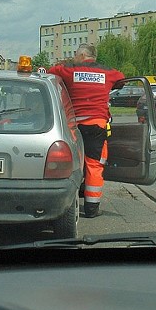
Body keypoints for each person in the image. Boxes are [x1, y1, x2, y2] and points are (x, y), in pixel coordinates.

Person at [48, 44, 125, 218]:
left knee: (72, 163)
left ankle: (66, 203)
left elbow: (52, 71)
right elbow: (121, 78)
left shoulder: (70, 69)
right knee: (94, 165)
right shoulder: (107, 72)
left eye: (76, 55)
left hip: (73, 126)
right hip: (96, 125)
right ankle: (91, 209)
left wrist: (67, 64)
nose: (74, 57)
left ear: (82, 55)